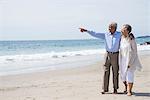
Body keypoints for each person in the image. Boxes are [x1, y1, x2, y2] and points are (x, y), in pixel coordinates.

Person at [79, 22, 121, 94]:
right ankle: (105, 89)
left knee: (115, 72)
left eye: (111, 27)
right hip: (107, 54)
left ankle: (115, 89)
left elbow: (127, 38)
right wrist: (86, 31)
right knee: (106, 71)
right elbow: (95, 34)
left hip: (115, 55)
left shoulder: (119, 34)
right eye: (109, 27)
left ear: (115, 28)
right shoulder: (106, 34)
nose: (109, 28)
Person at [119, 24, 142, 96]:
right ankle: (126, 88)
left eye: (123, 29)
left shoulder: (131, 39)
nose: (122, 30)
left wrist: (130, 63)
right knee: (123, 75)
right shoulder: (122, 38)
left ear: (128, 31)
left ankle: (129, 90)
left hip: (130, 59)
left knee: (130, 75)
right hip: (123, 59)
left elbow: (135, 51)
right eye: (122, 29)